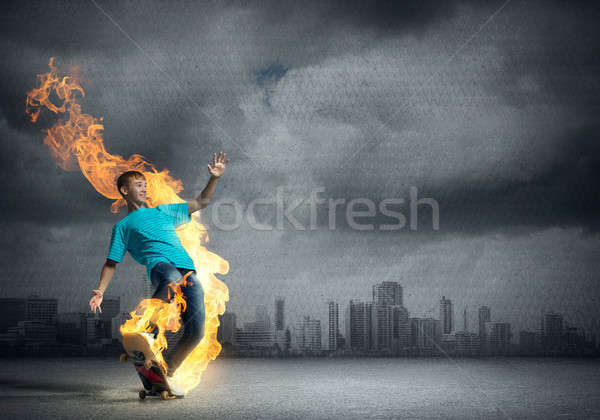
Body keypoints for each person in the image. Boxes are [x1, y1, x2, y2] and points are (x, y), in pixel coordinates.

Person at [89, 151, 229, 389]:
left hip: (188, 272)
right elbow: (111, 262)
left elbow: (201, 202)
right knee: (172, 278)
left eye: (145, 186)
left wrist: (214, 178)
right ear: (125, 190)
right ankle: (147, 330)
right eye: (138, 185)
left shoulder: (164, 212)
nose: (144, 189)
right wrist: (100, 291)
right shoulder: (122, 227)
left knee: (197, 332)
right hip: (161, 268)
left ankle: (166, 370)